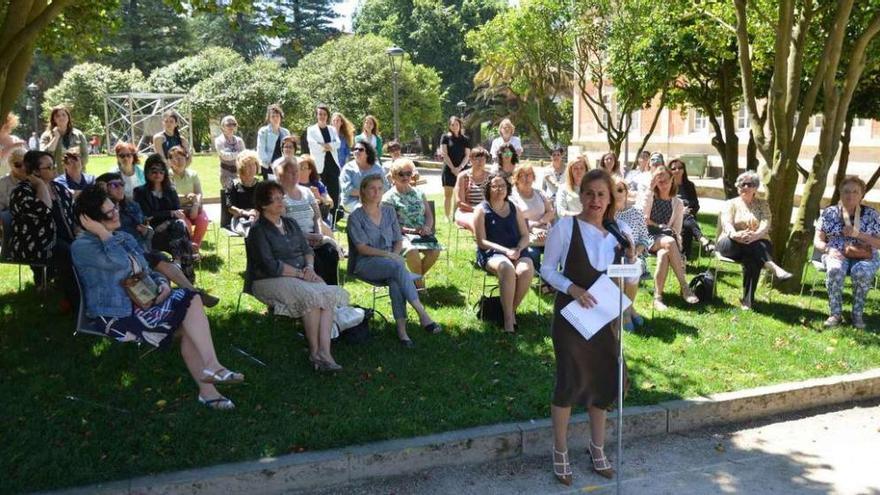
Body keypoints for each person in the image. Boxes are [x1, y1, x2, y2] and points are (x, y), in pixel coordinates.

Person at [72, 186, 242, 410]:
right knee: (190, 309)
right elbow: (121, 264)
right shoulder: (82, 247)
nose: (116, 214)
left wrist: (162, 285)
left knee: (190, 303)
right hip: (118, 316)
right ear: (90, 221)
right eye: (108, 214)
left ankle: (211, 378)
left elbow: (147, 269)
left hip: (146, 303)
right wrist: (103, 234)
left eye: (114, 207)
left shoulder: (122, 236)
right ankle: (210, 384)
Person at [540, 168, 636, 485]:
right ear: (580, 195)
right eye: (590, 193)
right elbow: (547, 270)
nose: (595, 200)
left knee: (604, 383)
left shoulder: (621, 232)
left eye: (602, 194)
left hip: (604, 319)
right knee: (569, 381)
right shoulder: (565, 228)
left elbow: (630, 282)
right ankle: (561, 451)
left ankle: (597, 449)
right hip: (571, 318)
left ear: (611, 199)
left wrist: (631, 260)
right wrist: (572, 289)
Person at [246, 181, 348, 372]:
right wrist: (300, 274)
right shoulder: (258, 230)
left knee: (326, 294)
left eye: (280, 197)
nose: (280, 201)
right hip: (267, 280)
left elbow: (307, 249)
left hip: (301, 275)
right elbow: (270, 266)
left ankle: (325, 353)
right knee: (311, 297)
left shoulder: (290, 223)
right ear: (263, 204)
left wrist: (309, 267)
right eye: (274, 199)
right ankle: (315, 352)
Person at [95, 172, 219, 307]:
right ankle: (192, 293)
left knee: (171, 238)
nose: (120, 188)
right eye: (114, 185)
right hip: (123, 256)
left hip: (143, 249)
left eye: (122, 184)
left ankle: (188, 292)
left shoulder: (132, 206)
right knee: (158, 259)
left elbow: (148, 233)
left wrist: (146, 231)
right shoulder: (101, 212)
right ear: (103, 188)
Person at [348, 175, 441, 347]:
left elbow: (398, 239)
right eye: (372, 188)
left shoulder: (389, 211)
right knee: (397, 268)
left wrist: (395, 254)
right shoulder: (355, 217)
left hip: (390, 263)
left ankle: (402, 331)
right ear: (363, 191)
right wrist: (390, 256)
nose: (377, 192)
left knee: (396, 280)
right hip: (366, 263)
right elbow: (361, 248)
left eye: (380, 188)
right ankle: (422, 313)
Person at [10, 150, 78, 308]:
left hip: (64, 238)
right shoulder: (22, 192)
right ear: (34, 171)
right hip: (36, 243)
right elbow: (44, 209)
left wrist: (78, 230)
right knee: (69, 252)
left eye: (53, 165)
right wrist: (40, 184)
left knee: (87, 247)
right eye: (49, 167)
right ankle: (76, 302)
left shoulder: (59, 189)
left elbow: (72, 214)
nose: (55, 169)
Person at [717, 171, 792, 310]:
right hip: (730, 243)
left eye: (749, 184)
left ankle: (747, 301)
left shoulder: (763, 204)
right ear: (737, 187)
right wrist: (735, 235)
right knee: (754, 249)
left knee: (753, 255)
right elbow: (726, 222)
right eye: (742, 184)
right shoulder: (730, 204)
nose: (745, 186)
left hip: (757, 241)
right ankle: (772, 266)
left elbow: (766, 223)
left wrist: (755, 235)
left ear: (755, 188)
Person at [814, 176, 880, 329]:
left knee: (862, 272)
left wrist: (858, 234)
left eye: (855, 192)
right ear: (840, 193)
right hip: (836, 251)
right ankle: (835, 314)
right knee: (835, 269)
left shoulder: (872, 215)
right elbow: (817, 240)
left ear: (862, 195)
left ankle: (857, 315)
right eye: (846, 191)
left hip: (865, 254)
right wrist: (828, 249)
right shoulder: (829, 213)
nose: (850, 195)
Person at [474, 173, 535, 333]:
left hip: (516, 250)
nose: (499, 189)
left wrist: (518, 249)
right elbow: (481, 241)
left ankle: (508, 311)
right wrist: (505, 251)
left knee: (527, 269)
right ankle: (509, 321)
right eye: (495, 186)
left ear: (507, 188)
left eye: (502, 186)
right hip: (492, 253)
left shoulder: (514, 208)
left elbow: (525, 235)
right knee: (506, 268)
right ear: (488, 188)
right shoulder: (481, 210)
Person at [639, 165, 698, 310]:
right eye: (659, 182)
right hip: (647, 238)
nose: (663, 185)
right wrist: (650, 189)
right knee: (669, 242)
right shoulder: (650, 196)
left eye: (666, 181)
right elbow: (642, 217)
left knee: (665, 254)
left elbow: (676, 231)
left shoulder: (677, 203)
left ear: (672, 180)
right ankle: (685, 286)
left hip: (666, 241)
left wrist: (678, 250)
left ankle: (658, 298)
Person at [276, 156, 340, 285]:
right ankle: (316, 298)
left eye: (296, 171)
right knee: (317, 261)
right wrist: (307, 237)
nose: (294, 175)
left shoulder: (307, 192)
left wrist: (318, 234)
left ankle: (332, 296)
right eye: (290, 172)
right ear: (281, 175)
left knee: (330, 253)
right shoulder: (279, 196)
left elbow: (317, 217)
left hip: (314, 236)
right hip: (295, 240)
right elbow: (285, 225)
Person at [134, 154, 196, 282]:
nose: (158, 174)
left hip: (171, 230)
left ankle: (180, 267)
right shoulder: (140, 192)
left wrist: (167, 221)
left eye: (161, 171)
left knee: (179, 225)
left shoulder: (171, 191)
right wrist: (170, 214)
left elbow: (178, 213)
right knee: (182, 237)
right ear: (147, 172)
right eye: (154, 170)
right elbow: (147, 214)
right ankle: (186, 279)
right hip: (151, 231)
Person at [382, 159, 442, 289]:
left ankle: (410, 281)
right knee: (412, 250)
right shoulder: (388, 198)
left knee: (435, 251)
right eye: (401, 174)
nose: (405, 177)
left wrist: (427, 227)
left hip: (421, 234)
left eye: (408, 173)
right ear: (393, 176)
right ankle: (420, 288)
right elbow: (391, 225)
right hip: (399, 236)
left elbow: (428, 215)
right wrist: (412, 231)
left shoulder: (419, 193)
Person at [613, 177, 651, 331]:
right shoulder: (606, 213)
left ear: (627, 192)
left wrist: (635, 252)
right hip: (613, 258)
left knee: (633, 267)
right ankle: (628, 311)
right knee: (619, 270)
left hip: (635, 255)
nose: (618, 193)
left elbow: (644, 239)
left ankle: (625, 310)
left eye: (621, 189)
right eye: (614, 190)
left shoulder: (636, 213)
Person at [510, 163, 554, 270]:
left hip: (545, 233)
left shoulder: (540, 193)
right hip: (525, 236)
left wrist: (540, 223)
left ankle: (552, 280)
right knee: (533, 254)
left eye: (529, 174)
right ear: (516, 178)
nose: (526, 178)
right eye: (522, 175)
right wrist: (533, 228)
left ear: (533, 177)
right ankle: (541, 281)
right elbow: (514, 219)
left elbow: (550, 212)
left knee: (563, 252)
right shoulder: (512, 196)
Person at [669, 158, 714, 259]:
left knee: (686, 224)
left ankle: (683, 257)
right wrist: (680, 211)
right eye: (673, 168)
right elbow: (666, 203)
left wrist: (689, 210)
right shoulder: (668, 186)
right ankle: (702, 239)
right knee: (686, 219)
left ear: (684, 170)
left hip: (687, 216)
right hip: (671, 216)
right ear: (670, 171)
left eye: (680, 168)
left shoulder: (689, 185)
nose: (677, 170)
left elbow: (696, 205)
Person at [167, 145, 208, 252]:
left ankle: (194, 249)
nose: (179, 161)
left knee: (203, 221)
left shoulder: (193, 174)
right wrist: (188, 197)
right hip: (177, 210)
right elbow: (172, 196)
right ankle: (188, 250)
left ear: (186, 159)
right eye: (175, 158)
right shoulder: (167, 176)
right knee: (187, 226)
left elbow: (199, 193)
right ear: (170, 161)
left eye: (181, 158)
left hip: (193, 206)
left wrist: (195, 205)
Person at [306, 104, 341, 221]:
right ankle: (322, 218)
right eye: (320, 114)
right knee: (321, 193)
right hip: (319, 167)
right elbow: (313, 146)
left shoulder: (332, 129)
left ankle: (333, 220)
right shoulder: (311, 130)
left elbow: (338, 144)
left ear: (327, 116)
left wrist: (326, 145)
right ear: (316, 115)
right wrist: (329, 146)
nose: (322, 116)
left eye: (324, 114)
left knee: (334, 193)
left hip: (333, 166)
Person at [340, 140, 387, 212]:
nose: (357, 151)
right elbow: (347, 190)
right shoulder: (348, 168)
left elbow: (385, 186)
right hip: (352, 201)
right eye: (355, 149)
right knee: (367, 209)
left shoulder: (376, 167)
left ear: (367, 153)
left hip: (375, 199)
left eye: (361, 149)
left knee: (388, 209)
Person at [440, 116, 472, 219]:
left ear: (460, 125)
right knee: (448, 194)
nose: (454, 126)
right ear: (449, 126)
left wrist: (460, 168)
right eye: (452, 124)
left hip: (462, 170)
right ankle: (446, 216)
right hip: (448, 169)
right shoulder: (445, 137)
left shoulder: (465, 139)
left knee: (459, 195)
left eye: (456, 124)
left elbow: (467, 155)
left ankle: (455, 216)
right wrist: (453, 168)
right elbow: (444, 154)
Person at [40, 106, 89, 173]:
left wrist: (74, 169)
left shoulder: (78, 134)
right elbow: (44, 156)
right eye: (57, 116)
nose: (61, 117)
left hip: (77, 175)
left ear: (68, 117)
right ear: (53, 119)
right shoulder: (46, 135)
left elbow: (85, 156)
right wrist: (56, 137)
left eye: (64, 115)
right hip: (57, 176)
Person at [223, 150, 261, 236]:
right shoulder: (232, 184)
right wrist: (246, 213)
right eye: (248, 165)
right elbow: (230, 207)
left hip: (258, 218)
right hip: (239, 219)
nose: (252, 168)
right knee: (251, 230)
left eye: (253, 164)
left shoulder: (261, 185)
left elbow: (265, 205)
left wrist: (257, 213)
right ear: (241, 168)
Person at [453, 146, 490, 231]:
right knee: (476, 221)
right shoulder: (463, 176)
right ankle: (481, 241)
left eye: (483, 159)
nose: (480, 161)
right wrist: (477, 210)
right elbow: (459, 202)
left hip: (487, 211)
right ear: (471, 159)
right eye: (477, 158)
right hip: (466, 211)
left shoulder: (491, 177)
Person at [256, 104, 290, 179]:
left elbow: (289, 149)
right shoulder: (263, 131)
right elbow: (260, 150)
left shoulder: (286, 132)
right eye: (273, 116)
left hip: (283, 166)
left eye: (277, 116)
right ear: (269, 118)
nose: (275, 118)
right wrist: (272, 164)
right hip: (268, 166)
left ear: (281, 117)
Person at [214, 115, 245, 189]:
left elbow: (244, 156)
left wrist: (234, 155)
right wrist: (238, 153)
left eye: (234, 124)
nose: (231, 127)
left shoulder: (239, 140)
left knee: (241, 194)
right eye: (228, 124)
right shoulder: (219, 140)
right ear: (222, 127)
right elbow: (225, 156)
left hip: (239, 173)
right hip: (226, 173)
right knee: (229, 195)